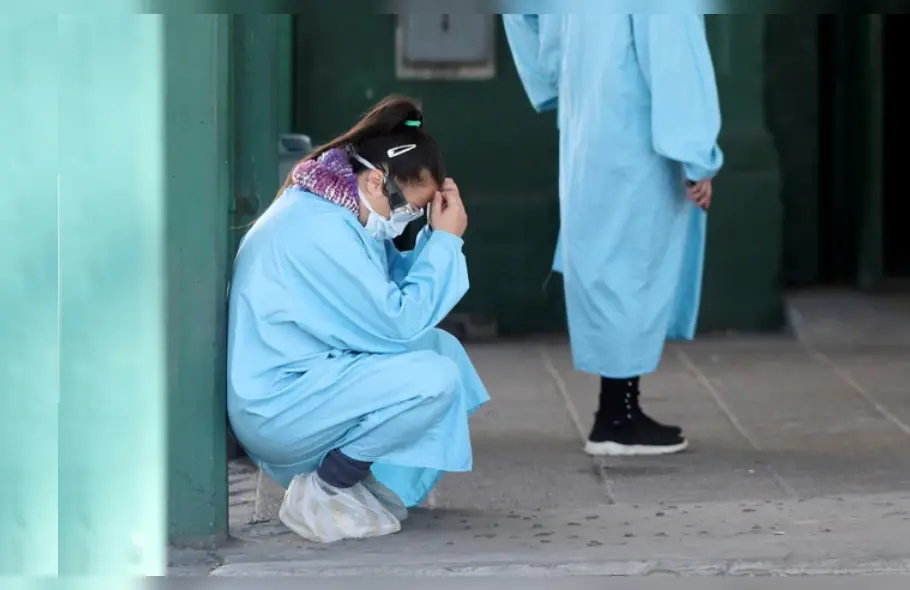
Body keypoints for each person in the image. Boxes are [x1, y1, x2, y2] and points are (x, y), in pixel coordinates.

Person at [227, 96, 490, 543]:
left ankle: (361, 483)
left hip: (302, 388)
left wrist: (432, 236)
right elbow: (398, 322)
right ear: (375, 182)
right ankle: (325, 489)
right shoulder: (323, 229)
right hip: (279, 408)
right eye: (409, 210)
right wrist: (446, 244)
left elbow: (388, 294)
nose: (405, 220)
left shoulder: (333, 209)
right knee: (435, 378)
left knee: (442, 352)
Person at [503, 15, 724, 456]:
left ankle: (618, 409)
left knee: (607, 264)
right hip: (638, 137)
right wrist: (695, 154)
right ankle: (617, 418)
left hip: (588, 127)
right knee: (632, 267)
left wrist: (554, 81)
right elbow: (674, 56)